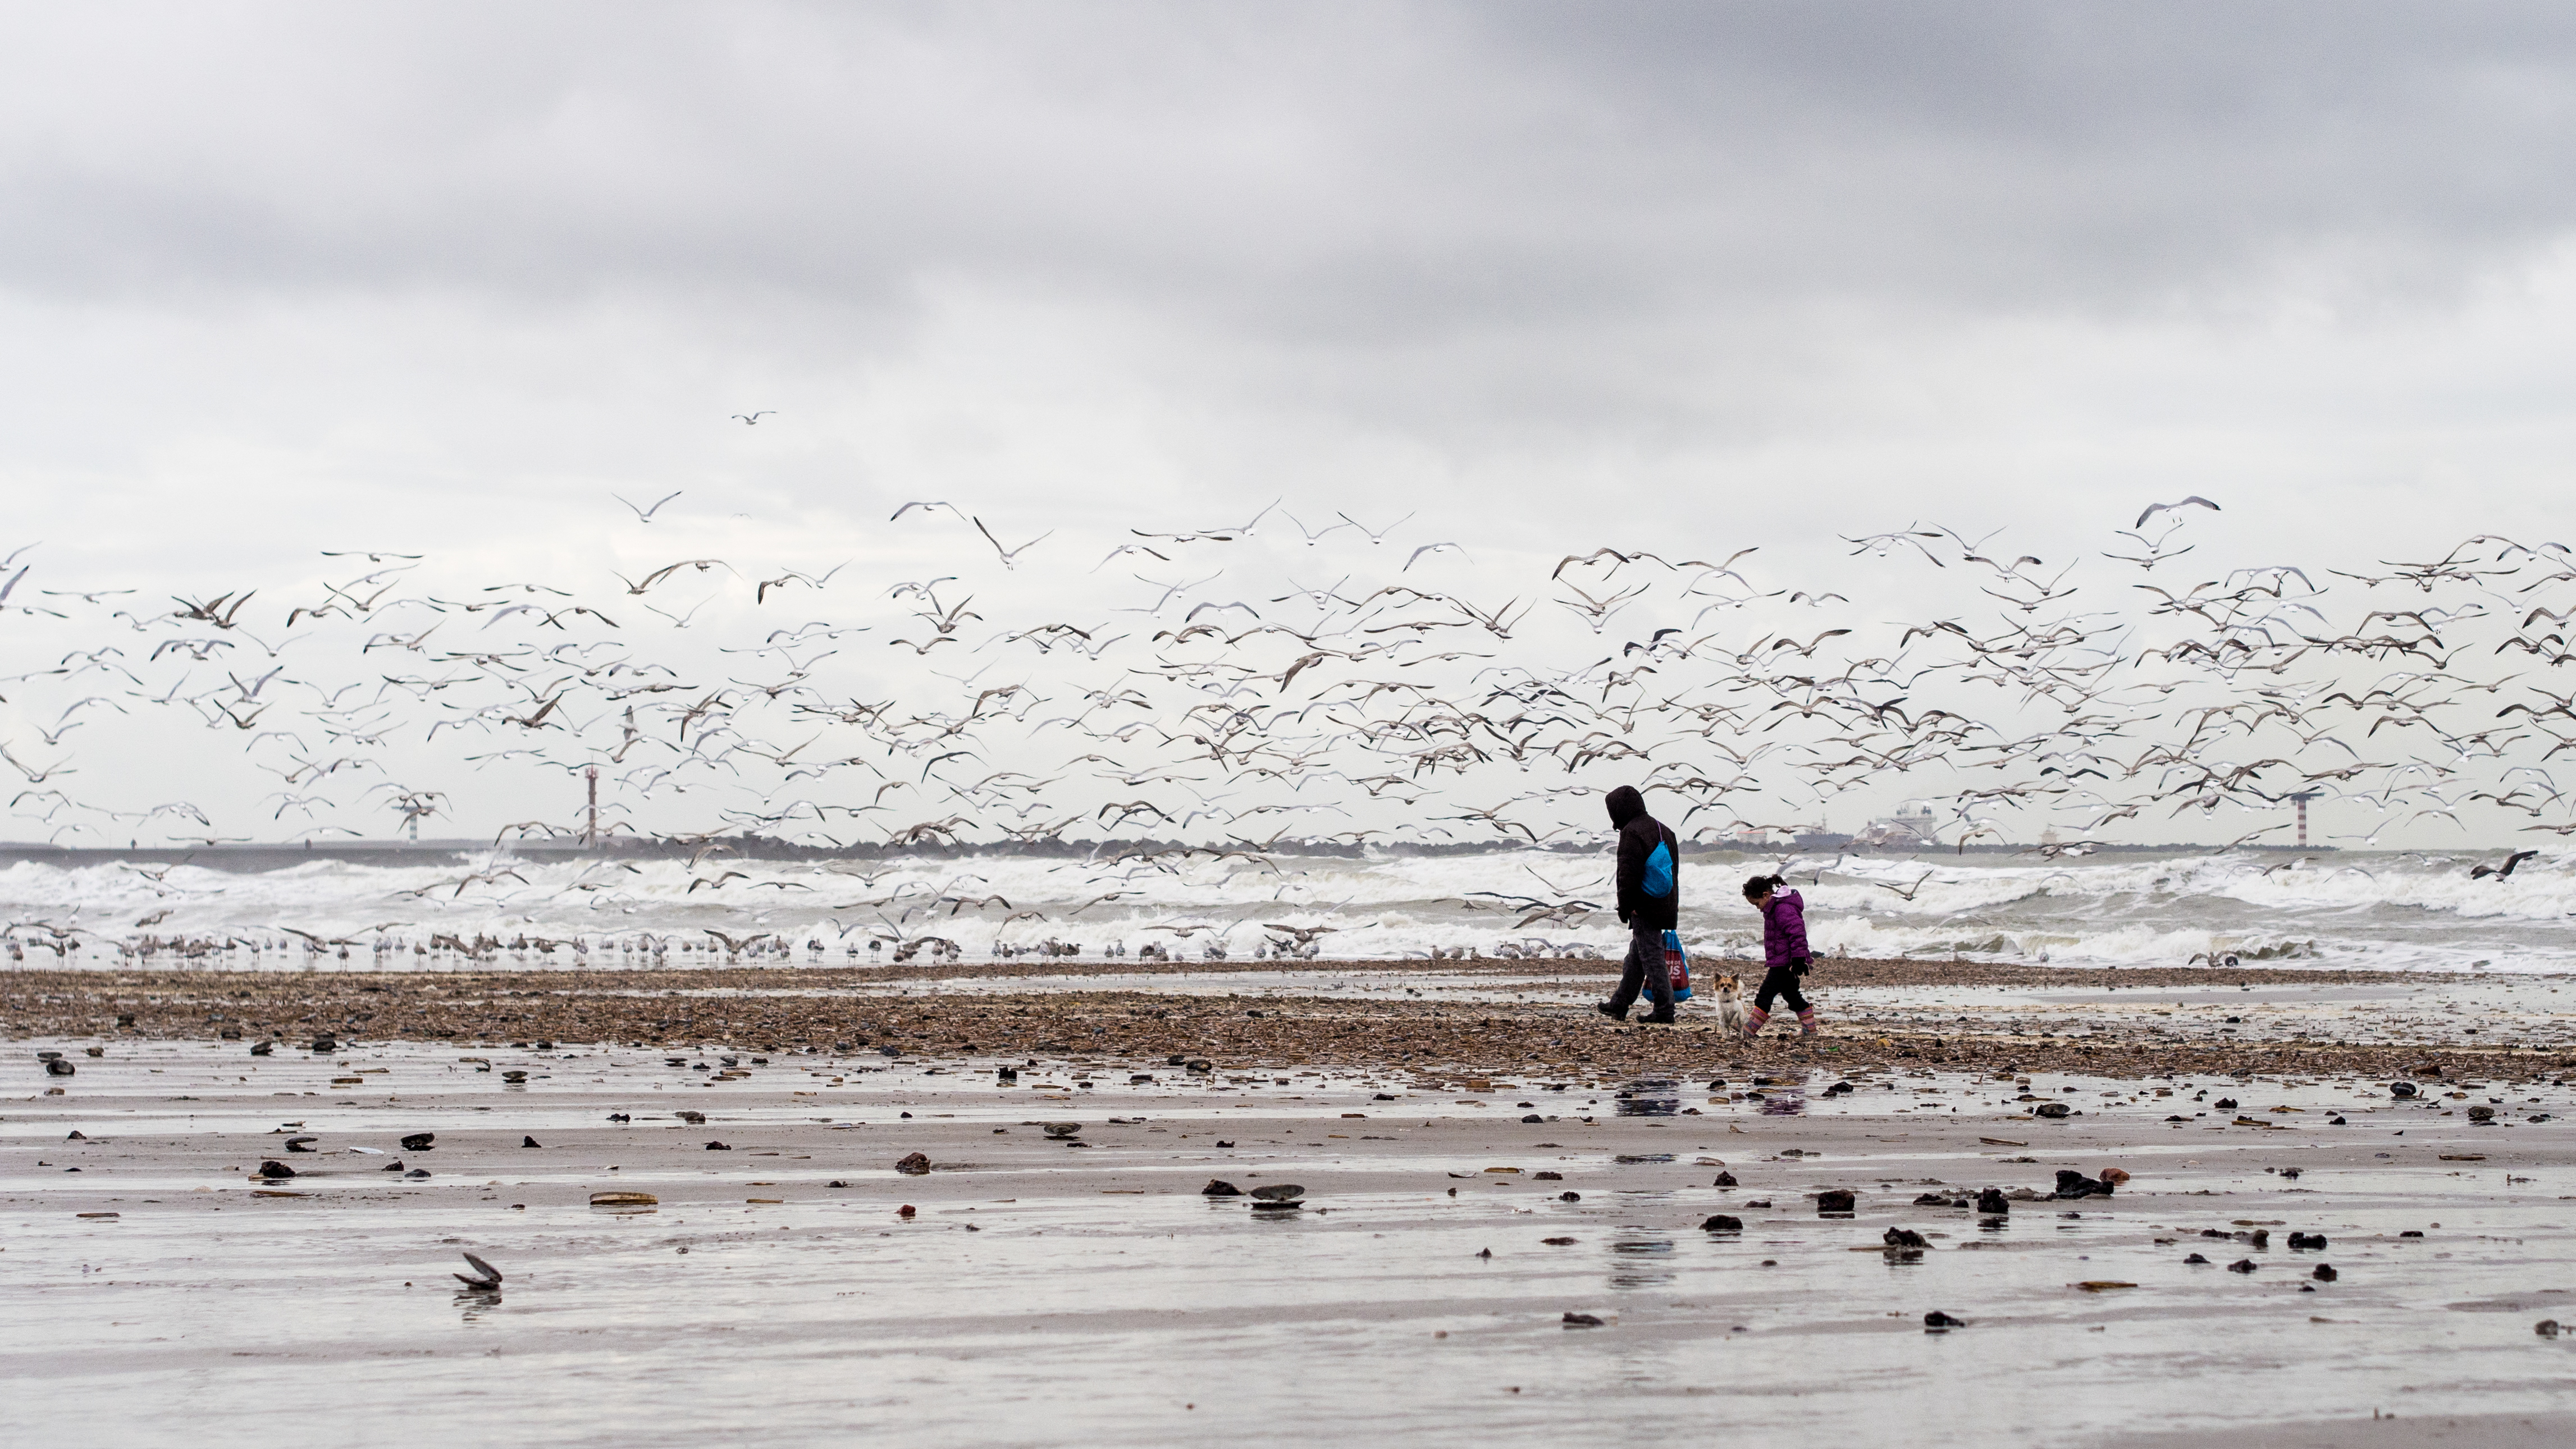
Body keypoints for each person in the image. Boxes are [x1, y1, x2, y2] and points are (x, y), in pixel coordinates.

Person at [1596, 785, 1681, 1025]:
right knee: (1638, 956)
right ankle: (1619, 1004)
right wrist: (1669, 905)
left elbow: (1628, 875)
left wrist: (1626, 907)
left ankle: (1665, 1010)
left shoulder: (1632, 833)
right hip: (1664, 902)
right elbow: (1672, 874)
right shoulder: (1664, 830)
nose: (1614, 823)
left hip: (1643, 906)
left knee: (1652, 957)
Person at [1741, 873, 1819, 1038]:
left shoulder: (1783, 908)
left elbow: (1797, 934)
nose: (1758, 908)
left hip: (1786, 962)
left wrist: (1798, 959)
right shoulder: (1773, 908)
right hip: (1781, 959)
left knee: (1765, 994)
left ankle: (1749, 1029)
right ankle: (1810, 1030)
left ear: (1766, 895)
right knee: (1791, 995)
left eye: (1757, 903)